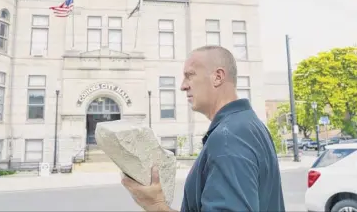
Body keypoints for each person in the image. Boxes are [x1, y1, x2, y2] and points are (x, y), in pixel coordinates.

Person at [121, 45, 285, 212]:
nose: (183, 86)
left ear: (218, 77)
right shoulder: (248, 125)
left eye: (190, 75)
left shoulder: (229, 138)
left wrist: (156, 206)